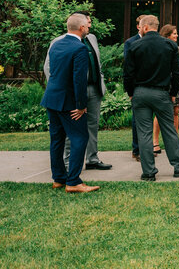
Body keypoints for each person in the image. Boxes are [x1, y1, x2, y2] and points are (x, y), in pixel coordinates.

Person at [124, 15, 179, 181]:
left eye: (140, 27)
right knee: (169, 130)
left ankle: (148, 172)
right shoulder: (170, 45)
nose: (139, 29)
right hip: (162, 92)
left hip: (140, 92)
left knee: (144, 133)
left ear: (146, 27)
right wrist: (173, 93)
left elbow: (127, 73)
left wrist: (131, 92)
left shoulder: (134, 46)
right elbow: (177, 73)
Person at [43, 11, 111, 171]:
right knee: (70, 130)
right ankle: (68, 165)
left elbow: (96, 62)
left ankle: (92, 159)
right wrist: (61, 89)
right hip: (70, 92)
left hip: (93, 89)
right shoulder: (58, 42)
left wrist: (100, 81)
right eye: (88, 22)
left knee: (92, 125)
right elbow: (48, 68)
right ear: (79, 24)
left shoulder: (92, 38)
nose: (89, 24)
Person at [40, 13, 99, 193]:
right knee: (80, 138)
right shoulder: (79, 48)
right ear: (81, 28)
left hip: (51, 98)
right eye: (87, 27)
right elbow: (79, 80)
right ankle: (73, 181)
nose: (88, 29)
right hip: (69, 102)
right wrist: (81, 106)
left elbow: (53, 71)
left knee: (56, 139)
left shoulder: (56, 44)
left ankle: (58, 178)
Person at [153, 24, 179, 155]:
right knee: (160, 112)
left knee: (175, 111)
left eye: (176, 33)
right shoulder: (160, 47)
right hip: (164, 82)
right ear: (167, 35)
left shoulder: (177, 48)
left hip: (176, 82)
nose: (177, 35)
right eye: (174, 34)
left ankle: (174, 141)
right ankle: (155, 142)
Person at [123, 14, 146, 161]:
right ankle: (136, 150)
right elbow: (128, 67)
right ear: (139, 26)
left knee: (147, 120)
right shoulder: (130, 42)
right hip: (137, 85)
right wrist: (130, 89)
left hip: (151, 85)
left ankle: (147, 149)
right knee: (137, 119)